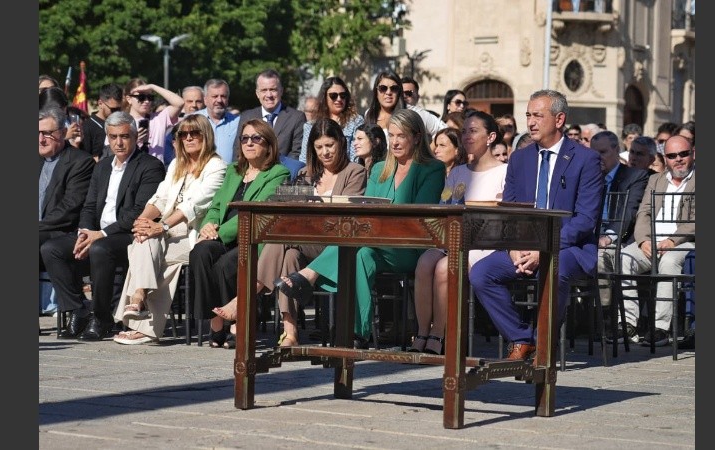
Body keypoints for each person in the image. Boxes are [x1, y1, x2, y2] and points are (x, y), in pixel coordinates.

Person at [275, 109, 446, 348]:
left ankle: (309, 275)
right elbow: (369, 209)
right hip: (375, 243)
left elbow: (418, 214)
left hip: (410, 246)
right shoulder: (379, 169)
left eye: (402, 136)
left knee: (357, 241)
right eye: (392, 136)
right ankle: (358, 332)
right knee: (361, 254)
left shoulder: (432, 168)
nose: (395, 142)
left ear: (417, 137)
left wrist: (380, 223)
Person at [468, 89, 604, 361]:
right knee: (481, 273)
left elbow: (585, 220)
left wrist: (544, 249)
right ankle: (522, 339)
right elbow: (509, 211)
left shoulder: (585, 159)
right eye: (528, 115)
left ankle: (543, 346)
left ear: (559, 119)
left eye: (538, 116)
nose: (530, 122)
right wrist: (513, 248)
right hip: (524, 245)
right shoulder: (520, 158)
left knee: (555, 268)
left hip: (569, 247)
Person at [211, 119, 367, 348]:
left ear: (341, 144)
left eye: (329, 145)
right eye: (319, 147)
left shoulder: (355, 172)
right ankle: (290, 331)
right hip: (302, 240)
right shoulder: (306, 173)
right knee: (290, 255)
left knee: (280, 241)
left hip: (333, 245)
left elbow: (345, 215)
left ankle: (243, 300)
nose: (325, 152)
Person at [40, 111, 166, 340]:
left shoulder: (150, 166)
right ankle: (79, 309)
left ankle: (102, 317)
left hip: (128, 235)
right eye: (113, 136)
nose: (119, 142)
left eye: (124, 136)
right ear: (107, 137)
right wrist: (85, 232)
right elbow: (89, 206)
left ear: (135, 137)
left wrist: (101, 234)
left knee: (100, 249)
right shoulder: (103, 166)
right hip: (97, 232)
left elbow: (138, 212)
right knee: (52, 249)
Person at [111, 114, 227, 345]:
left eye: (195, 133)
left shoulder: (217, 166)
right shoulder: (176, 164)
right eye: (183, 134)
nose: (189, 138)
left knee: (155, 256)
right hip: (166, 229)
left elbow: (195, 205)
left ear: (206, 136)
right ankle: (140, 302)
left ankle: (142, 315)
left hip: (193, 233)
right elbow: (160, 198)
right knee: (143, 240)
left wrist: (161, 226)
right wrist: (142, 223)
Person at [189, 119, 290, 348]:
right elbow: (216, 206)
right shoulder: (234, 170)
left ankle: (239, 323)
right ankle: (216, 321)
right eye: (245, 138)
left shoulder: (277, 173)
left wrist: (218, 232)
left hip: (252, 238)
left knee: (224, 265)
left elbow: (256, 212)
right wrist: (209, 224)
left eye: (256, 138)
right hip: (222, 236)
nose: (249, 143)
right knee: (200, 253)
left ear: (268, 145)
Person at [412, 110, 507, 354]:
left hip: (485, 245)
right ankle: (421, 332)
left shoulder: (504, 172)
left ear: (490, 137)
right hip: (454, 239)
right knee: (424, 262)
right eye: (464, 131)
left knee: (445, 267)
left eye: (473, 131)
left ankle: (439, 334)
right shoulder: (457, 173)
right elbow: (444, 205)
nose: (466, 136)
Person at [614, 135, 695, 346]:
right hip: (651, 241)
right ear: (665, 158)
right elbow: (643, 213)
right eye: (672, 155)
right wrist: (643, 241)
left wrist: (673, 241)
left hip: (684, 242)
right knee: (624, 257)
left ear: (693, 154)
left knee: (669, 262)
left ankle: (660, 328)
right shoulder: (656, 180)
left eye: (683, 154)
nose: (678, 159)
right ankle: (627, 324)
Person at [39, 107, 95, 335]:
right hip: (41, 232)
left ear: (63, 133)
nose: (41, 139)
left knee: (47, 247)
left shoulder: (80, 162)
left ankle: (78, 309)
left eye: (47, 133)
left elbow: (69, 209)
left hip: (65, 231)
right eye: (37, 133)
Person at [588, 131, 649, 307]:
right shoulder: (589, 178)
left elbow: (629, 211)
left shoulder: (635, 176)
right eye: (594, 153)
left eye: (603, 152)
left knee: (599, 258)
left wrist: (609, 237)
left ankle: (603, 313)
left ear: (616, 150)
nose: (598, 158)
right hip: (591, 237)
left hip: (619, 239)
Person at [235, 69, 306, 160]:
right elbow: (238, 151)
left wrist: (277, 169)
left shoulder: (296, 118)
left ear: (281, 91)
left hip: (284, 168)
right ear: (257, 94)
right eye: (264, 90)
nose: (269, 95)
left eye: (273, 89)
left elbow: (296, 153)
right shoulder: (246, 117)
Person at [299, 76, 365, 163]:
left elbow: (356, 157)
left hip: (347, 169)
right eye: (333, 96)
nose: (339, 99)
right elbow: (305, 158)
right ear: (324, 98)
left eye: (342, 95)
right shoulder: (311, 125)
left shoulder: (356, 121)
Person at [364, 71, 445, 139]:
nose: (388, 92)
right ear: (376, 92)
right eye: (383, 88)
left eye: (394, 88)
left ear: (399, 92)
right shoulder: (369, 113)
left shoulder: (412, 112)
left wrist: (428, 150)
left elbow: (443, 129)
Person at [123, 78, 185, 164]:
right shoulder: (121, 122)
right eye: (141, 97)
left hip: (156, 169)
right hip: (131, 168)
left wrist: (153, 87)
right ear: (129, 99)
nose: (146, 101)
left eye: (150, 97)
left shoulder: (159, 118)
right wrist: (134, 142)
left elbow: (179, 103)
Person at [193, 79, 241, 164]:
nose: (219, 100)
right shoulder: (193, 120)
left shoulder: (238, 122)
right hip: (199, 171)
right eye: (215, 96)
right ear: (205, 99)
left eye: (223, 96)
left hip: (229, 171)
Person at [82, 83, 124, 161]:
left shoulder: (122, 124)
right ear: (100, 103)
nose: (116, 113)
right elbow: (84, 159)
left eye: (119, 109)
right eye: (113, 109)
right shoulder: (87, 127)